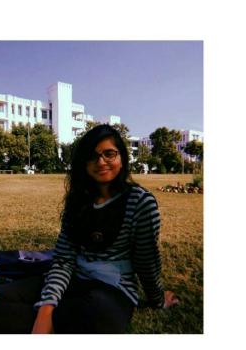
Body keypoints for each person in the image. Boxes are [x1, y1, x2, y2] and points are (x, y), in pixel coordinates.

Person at [31, 125, 178, 334]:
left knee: (97, 317)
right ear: (83, 163)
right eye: (92, 156)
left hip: (113, 289)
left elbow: (146, 260)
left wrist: (157, 299)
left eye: (109, 153)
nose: (100, 162)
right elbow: (64, 259)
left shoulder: (140, 203)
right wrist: (46, 310)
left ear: (122, 157)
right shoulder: (78, 200)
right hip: (73, 279)